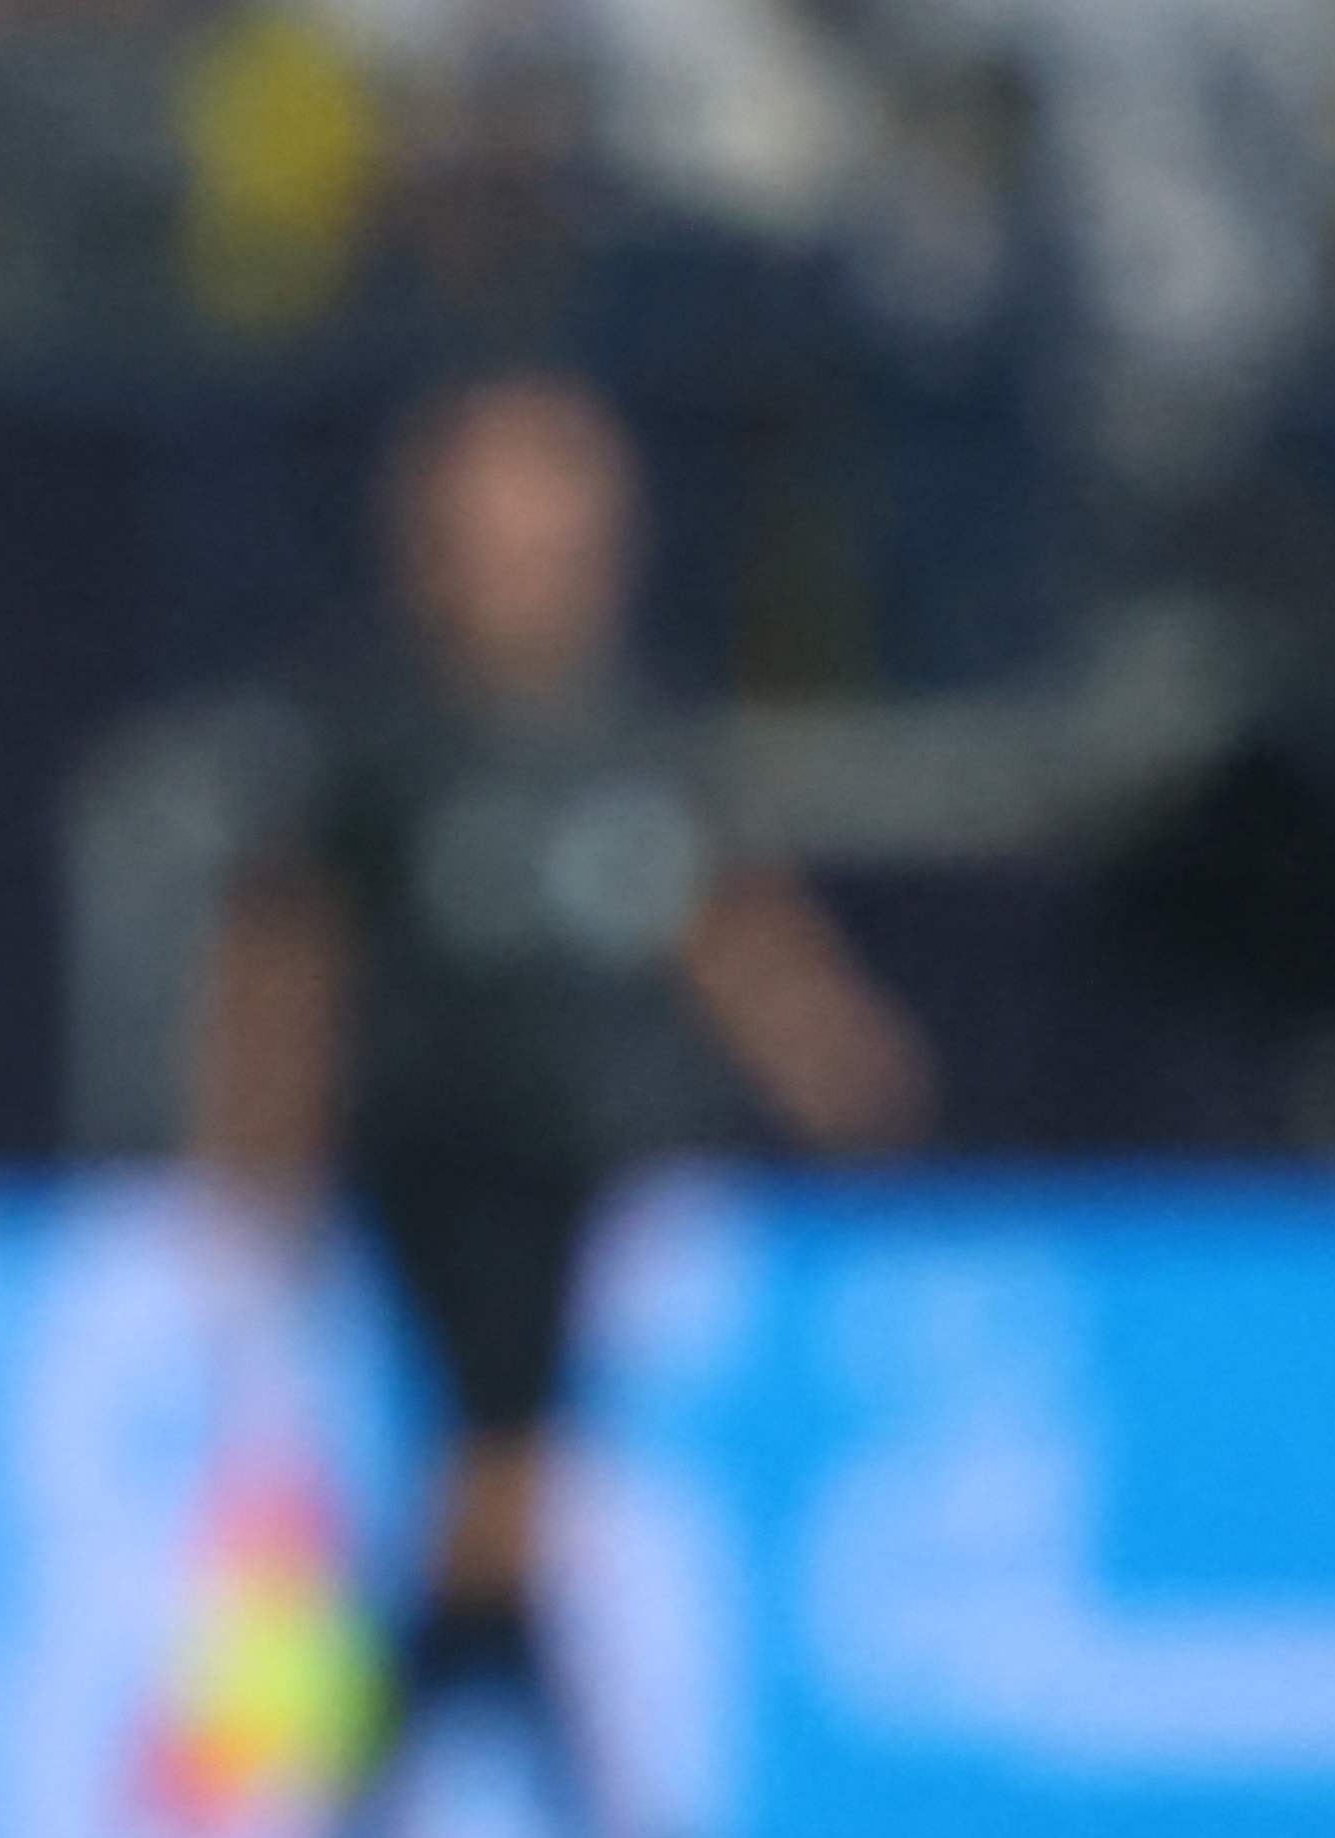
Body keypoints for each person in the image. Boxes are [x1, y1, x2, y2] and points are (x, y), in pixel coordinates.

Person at [192, 370, 923, 1831]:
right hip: (430, 1160)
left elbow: (730, 920)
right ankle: (503, 1783)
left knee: (503, 1511)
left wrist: (834, 1054)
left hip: (585, 1168)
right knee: (490, 1491)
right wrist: (251, 1160)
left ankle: (432, 1777)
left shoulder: (636, 735)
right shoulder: (376, 738)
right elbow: (284, 961)